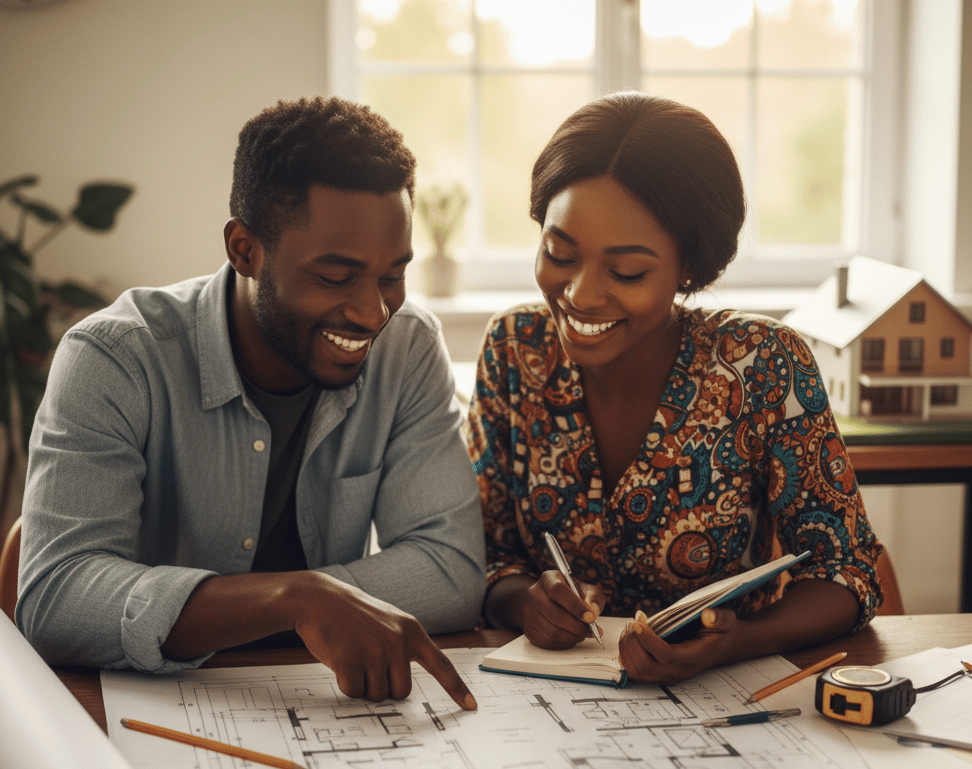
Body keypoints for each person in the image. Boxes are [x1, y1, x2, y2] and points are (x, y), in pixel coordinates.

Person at [18, 96, 484, 709]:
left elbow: (450, 571)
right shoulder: (116, 357)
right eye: (336, 277)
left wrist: (305, 603)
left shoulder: (408, 347)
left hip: (322, 710)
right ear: (245, 250)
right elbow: (57, 597)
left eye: (392, 275)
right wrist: (294, 601)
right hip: (154, 714)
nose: (374, 312)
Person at [466, 92, 882, 684]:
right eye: (560, 253)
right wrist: (523, 601)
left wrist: (736, 643)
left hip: (725, 706)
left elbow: (848, 573)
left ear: (688, 265)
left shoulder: (763, 365)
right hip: (545, 704)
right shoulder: (514, 349)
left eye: (627, 272)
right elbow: (484, 553)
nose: (581, 295)